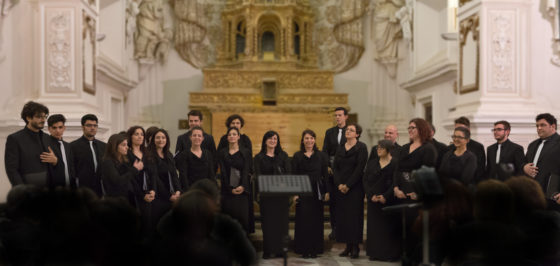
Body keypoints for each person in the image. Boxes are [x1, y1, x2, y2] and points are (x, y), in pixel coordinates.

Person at [392, 118, 437, 263]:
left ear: (422, 130)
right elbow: (397, 170)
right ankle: (404, 257)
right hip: (401, 194)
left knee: (415, 230)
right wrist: (395, 187)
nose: (410, 130)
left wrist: (419, 192)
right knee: (401, 228)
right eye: (409, 128)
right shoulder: (404, 148)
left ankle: (415, 259)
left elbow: (428, 173)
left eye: (413, 127)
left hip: (416, 197)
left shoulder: (428, 149)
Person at [254, 130, 291, 259]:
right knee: (268, 224)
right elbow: (258, 176)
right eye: (270, 138)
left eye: (275, 139)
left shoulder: (283, 156)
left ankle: (280, 250)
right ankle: (268, 250)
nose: (272, 141)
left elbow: (288, 174)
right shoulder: (259, 158)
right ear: (265, 141)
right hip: (267, 196)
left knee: (281, 224)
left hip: (281, 196)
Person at [292, 129, 328, 259]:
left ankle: (315, 249)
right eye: (306, 138)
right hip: (302, 191)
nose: (309, 140)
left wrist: (327, 191)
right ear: (302, 140)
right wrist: (295, 194)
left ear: (314, 140)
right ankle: (303, 249)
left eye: (311, 138)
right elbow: (294, 176)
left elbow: (325, 175)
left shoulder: (321, 155)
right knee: (303, 220)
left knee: (316, 220)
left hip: (317, 192)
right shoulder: (297, 156)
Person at [333, 123, 368, 259]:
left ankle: (355, 248)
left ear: (357, 134)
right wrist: (339, 184)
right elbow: (335, 167)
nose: (348, 131)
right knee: (344, 218)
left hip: (355, 189)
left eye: (351, 130)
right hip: (340, 188)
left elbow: (359, 169)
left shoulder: (361, 147)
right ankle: (347, 246)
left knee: (354, 218)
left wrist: (348, 185)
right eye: (347, 130)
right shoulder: (340, 147)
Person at [5, 101, 58, 187]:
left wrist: (55, 161)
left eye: (44, 117)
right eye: (39, 117)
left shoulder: (47, 137)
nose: (43, 120)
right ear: (28, 118)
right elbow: (12, 170)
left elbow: (56, 165)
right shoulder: (14, 138)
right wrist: (21, 190)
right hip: (26, 190)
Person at [363, 139, 400, 261]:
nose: (378, 150)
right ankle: (375, 253)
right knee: (375, 228)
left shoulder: (395, 163)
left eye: (381, 148)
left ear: (388, 150)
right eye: (377, 148)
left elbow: (395, 182)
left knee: (388, 228)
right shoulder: (372, 163)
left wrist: (385, 196)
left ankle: (389, 255)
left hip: (388, 200)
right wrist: (370, 195)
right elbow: (366, 181)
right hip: (373, 200)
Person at [216, 127, 252, 232]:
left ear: (238, 137)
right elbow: (223, 172)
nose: (232, 136)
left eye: (234, 134)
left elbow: (246, 171)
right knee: (228, 222)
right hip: (227, 192)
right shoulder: (222, 153)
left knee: (242, 221)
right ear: (227, 138)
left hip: (243, 192)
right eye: (230, 135)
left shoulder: (246, 152)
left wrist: (243, 186)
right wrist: (229, 189)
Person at [145, 128, 181, 226]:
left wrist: (178, 191)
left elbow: (174, 174)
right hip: (158, 196)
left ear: (167, 140)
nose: (161, 140)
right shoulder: (149, 155)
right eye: (158, 138)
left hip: (172, 195)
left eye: (163, 137)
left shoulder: (168, 154)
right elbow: (155, 178)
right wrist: (169, 196)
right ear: (153, 140)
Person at [323, 106, 349, 240]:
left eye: (340, 115)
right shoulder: (329, 132)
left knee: (343, 202)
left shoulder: (351, 131)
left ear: (346, 117)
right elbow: (325, 150)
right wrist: (327, 165)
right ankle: (334, 229)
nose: (337, 117)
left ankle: (344, 230)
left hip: (345, 171)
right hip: (332, 171)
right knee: (333, 203)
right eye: (336, 115)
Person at [523, 113, 560, 202]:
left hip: (553, 196)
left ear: (553, 126)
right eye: (537, 126)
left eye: (543, 125)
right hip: (530, 195)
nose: (539, 128)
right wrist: (524, 167)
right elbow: (524, 163)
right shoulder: (532, 145)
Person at [126, 126, 155, 235]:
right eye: (136, 134)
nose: (140, 137)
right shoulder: (127, 154)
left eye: (142, 134)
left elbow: (153, 174)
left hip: (149, 193)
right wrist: (141, 194)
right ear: (131, 136)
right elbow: (131, 178)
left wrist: (153, 190)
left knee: (147, 226)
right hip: (134, 195)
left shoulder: (147, 153)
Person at [100, 133, 143, 205]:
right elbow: (118, 181)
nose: (127, 147)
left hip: (127, 198)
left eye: (127, 145)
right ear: (115, 146)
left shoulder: (124, 160)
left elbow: (131, 180)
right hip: (115, 201)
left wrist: (142, 194)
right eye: (123, 145)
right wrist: (135, 169)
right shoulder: (108, 162)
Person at [71, 114, 107, 196]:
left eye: (95, 125)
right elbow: (72, 169)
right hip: (82, 189)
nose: (92, 128)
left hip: (101, 188)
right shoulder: (73, 146)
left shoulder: (104, 146)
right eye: (89, 125)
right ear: (83, 127)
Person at [175, 126, 216, 191]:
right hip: (189, 191)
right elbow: (183, 176)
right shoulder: (184, 155)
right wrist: (189, 192)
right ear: (190, 137)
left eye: (199, 136)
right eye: (194, 135)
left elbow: (211, 174)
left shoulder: (208, 154)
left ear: (203, 138)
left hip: (205, 190)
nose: (197, 137)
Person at [448, 117, 486, 183]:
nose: (458, 131)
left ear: (468, 130)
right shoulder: (449, 148)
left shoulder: (478, 147)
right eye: (457, 129)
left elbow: (480, 169)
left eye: (461, 129)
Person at [47, 114, 76, 188]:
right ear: (49, 129)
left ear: (64, 128)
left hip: (70, 188)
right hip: (53, 188)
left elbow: (71, 167)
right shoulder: (46, 145)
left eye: (60, 127)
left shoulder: (68, 146)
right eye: (54, 128)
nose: (58, 130)